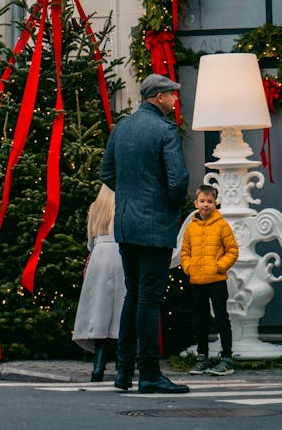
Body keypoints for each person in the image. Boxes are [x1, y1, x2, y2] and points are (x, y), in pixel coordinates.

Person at [100, 72, 190, 395]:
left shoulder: (121, 128)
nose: (175, 100)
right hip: (155, 225)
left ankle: (124, 372)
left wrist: (130, 194)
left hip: (125, 224)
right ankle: (149, 373)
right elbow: (178, 181)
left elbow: (106, 172)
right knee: (149, 299)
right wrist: (165, 202)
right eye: (172, 95)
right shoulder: (165, 131)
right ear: (159, 97)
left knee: (133, 296)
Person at [181, 184, 238, 376]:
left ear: (216, 203)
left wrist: (219, 266)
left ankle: (227, 359)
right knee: (200, 320)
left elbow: (232, 250)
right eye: (202, 201)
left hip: (217, 280)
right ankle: (202, 357)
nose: (206, 205)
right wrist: (189, 268)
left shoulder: (222, 225)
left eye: (210, 201)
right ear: (196, 203)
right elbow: (185, 252)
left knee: (222, 318)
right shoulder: (191, 227)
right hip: (197, 281)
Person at [72, 183, 126, 381]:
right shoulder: (123, 204)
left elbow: (90, 241)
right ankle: (122, 365)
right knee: (122, 312)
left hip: (99, 255)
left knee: (99, 312)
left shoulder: (96, 207)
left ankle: (98, 366)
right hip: (120, 253)